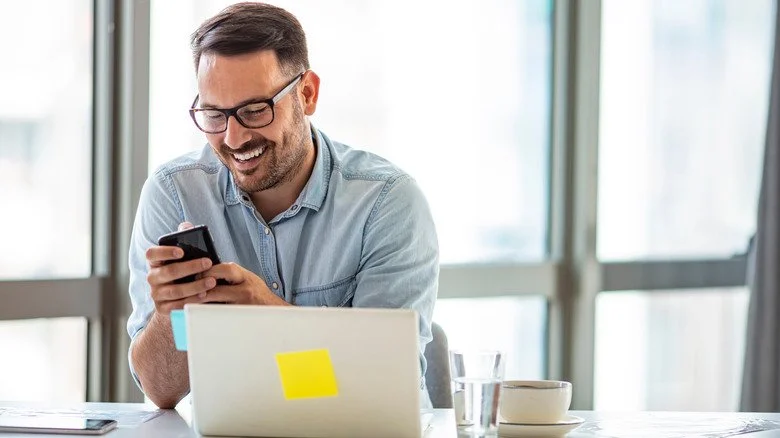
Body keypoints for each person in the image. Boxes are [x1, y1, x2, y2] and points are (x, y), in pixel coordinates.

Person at [125, 2, 439, 410]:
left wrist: (270, 317)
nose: (234, 138)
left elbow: (384, 385)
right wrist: (173, 316)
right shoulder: (175, 193)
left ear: (307, 94)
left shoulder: (386, 203)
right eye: (214, 115)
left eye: (255, 111)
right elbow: (162, 391)